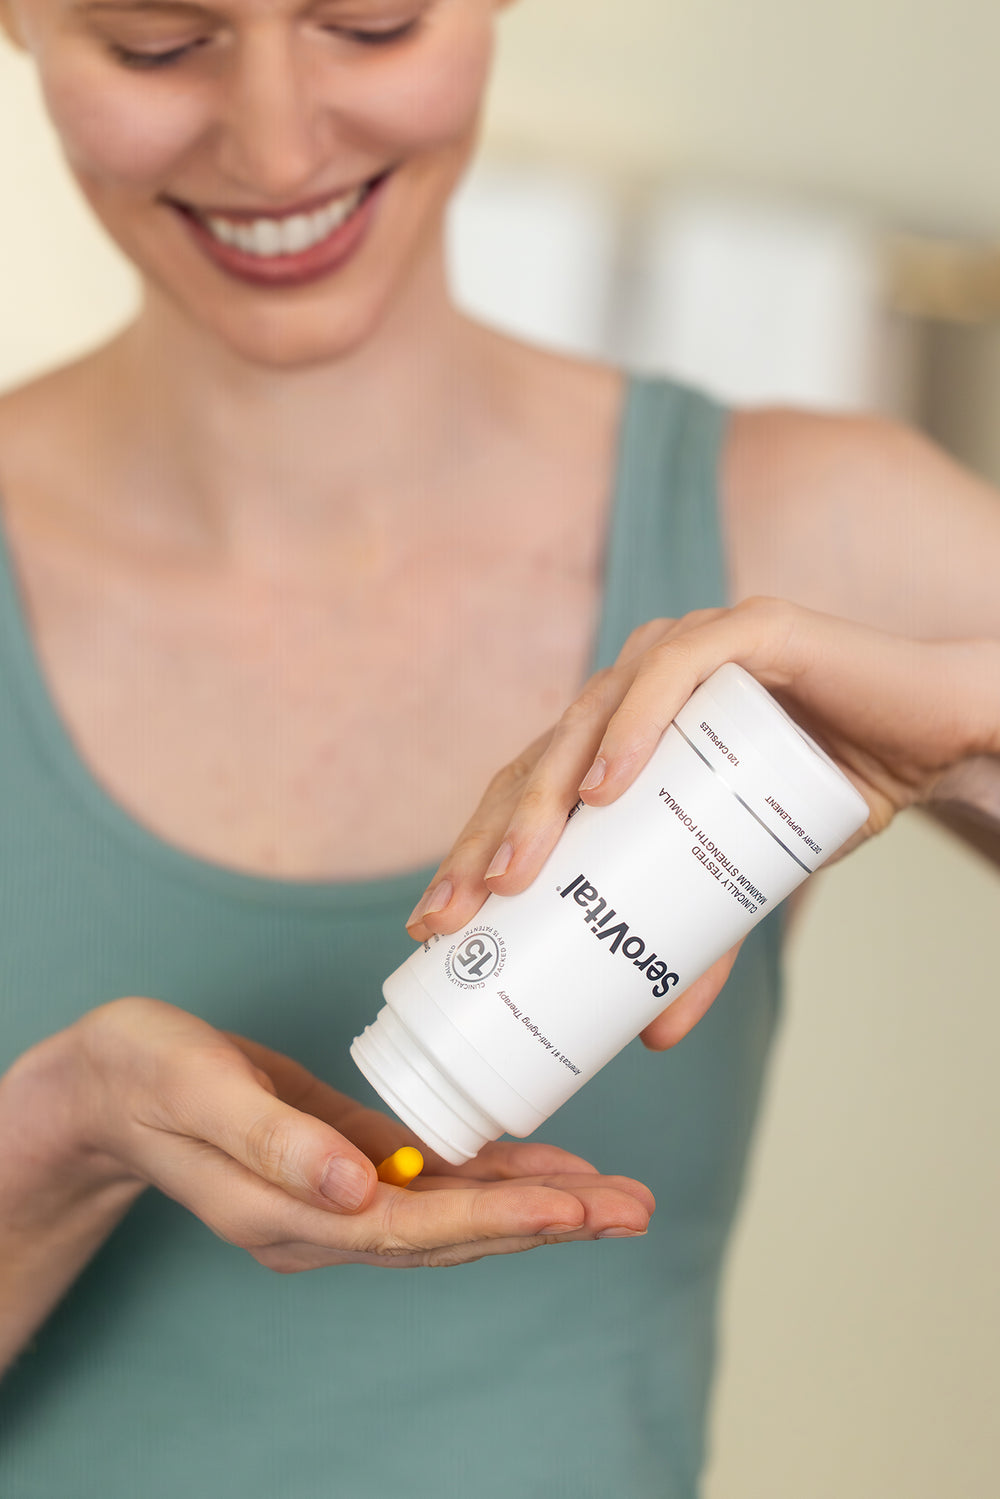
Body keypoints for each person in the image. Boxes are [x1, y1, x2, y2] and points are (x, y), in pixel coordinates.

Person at [0, 0, 995, 1494]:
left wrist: (979, 723)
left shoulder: (816, 528)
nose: (277, 143)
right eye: (156, 42)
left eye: (370, 22)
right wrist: (54, 1148)